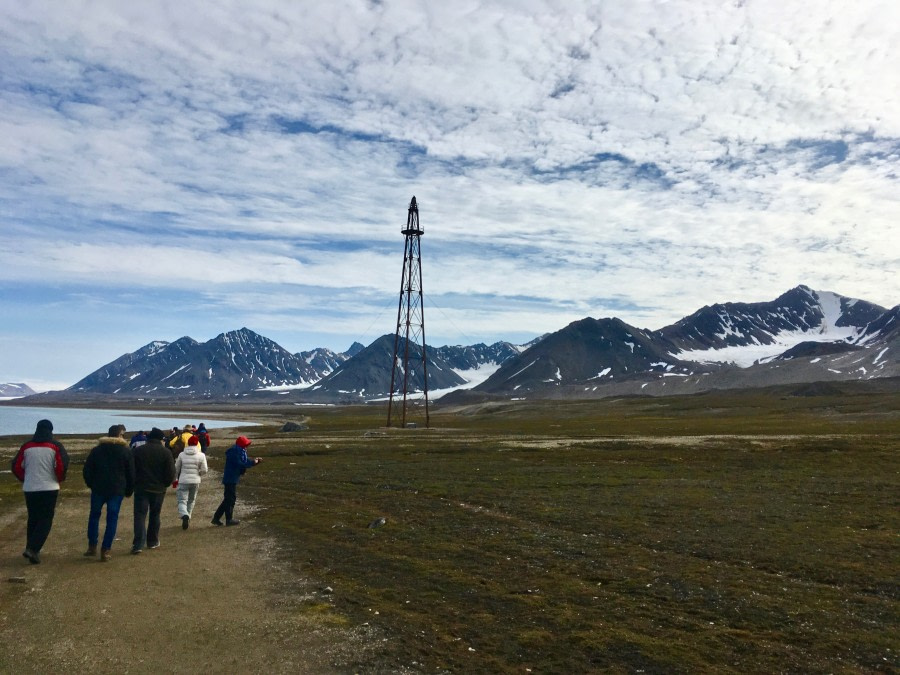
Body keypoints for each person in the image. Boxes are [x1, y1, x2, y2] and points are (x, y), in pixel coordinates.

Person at [10, 419, 69, 564]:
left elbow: (17, 466)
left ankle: (32, 549)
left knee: (33, 518)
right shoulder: (55, 446)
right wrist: (59, 479)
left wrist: (26, 479)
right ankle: (33, 549)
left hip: (30, 488)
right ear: (51, 430)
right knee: (46, 519)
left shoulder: (27, 446)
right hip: (49, 487)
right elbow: (61, 466)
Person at [83, 424, 135, 562]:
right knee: (112, 518)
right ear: (118, 435)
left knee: (94, 516)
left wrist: (91, 484)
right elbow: (131, 473)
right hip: (116, 490)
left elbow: (87, 470)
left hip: (99, 488)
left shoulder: (97, 450)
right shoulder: (125, 451)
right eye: (122, 434)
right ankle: (105, 549)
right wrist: (129, 490)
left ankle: (92, 545)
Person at [131, 427, 175, 554]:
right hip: (158, 489)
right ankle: (152, 541)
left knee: (140, 516)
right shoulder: (166, 452)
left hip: (141, 488)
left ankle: (138, 544)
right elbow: (170, 473)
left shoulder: (138, 451)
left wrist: (134, 483)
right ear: (160, 440)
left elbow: (132, 469)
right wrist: (165, 485)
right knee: (155, 515)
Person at [212, 436, 261, 527]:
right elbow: (240, 464)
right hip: (230, 478)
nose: (247, 446)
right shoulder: (235, 452)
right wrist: (253, 463)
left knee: (228, 499)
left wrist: (254, 462)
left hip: (232, 477)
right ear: (242, 444)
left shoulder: (239, 451)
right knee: (230, 499)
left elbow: (243, 463)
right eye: (246, 444)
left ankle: (217, 518)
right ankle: (228, 519)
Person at [174, 435, 209, 529]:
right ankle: (188, 516)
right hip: (195, 480)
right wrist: (199, 474)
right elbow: (205, 469)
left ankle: (184, 515)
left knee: (182, 500)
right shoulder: (201, 455)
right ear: (197, 444)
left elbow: (176, 468)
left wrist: (175, 479)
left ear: (188, 443)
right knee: (191, 500)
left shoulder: (182, 454)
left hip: (183, 480)